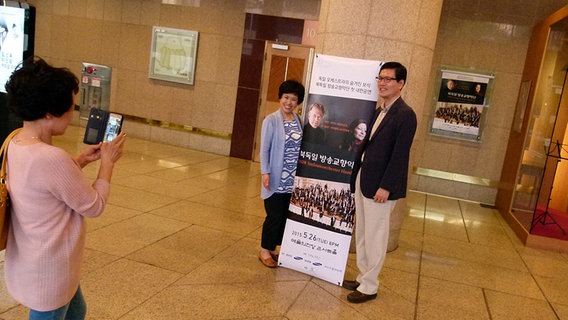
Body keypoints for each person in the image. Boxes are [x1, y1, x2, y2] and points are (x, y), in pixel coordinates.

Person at [3, 57, 125, 319]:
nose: (72, 114)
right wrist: (108, 163)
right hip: (50, 270)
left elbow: (40, 186)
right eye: (70, 107)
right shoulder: (51, 158)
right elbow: (94, 206)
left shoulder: (14, 142)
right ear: (49, 113)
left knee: (77, 309)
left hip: (30, 259)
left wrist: (79, 161)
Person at [342, 62, 417, 303]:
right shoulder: (379, 110)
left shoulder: (405, 114)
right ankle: (364, 277)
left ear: (401, 83)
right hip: (366, 178)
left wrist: (386, 186)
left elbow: (400, 154)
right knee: (363, 232)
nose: (382, 83)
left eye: (388, 79)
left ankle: (370, 287)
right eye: (380, 78)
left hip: (381, 186)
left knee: (376, 236)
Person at [259, 79, 305, 268]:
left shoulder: (298, 120)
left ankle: (273, 248)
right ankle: (264, 250)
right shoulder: (271, 120)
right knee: (273, 215)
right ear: (280, 98)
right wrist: (265, 172)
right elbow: (264, 149)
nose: (289, 102)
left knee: (285, 216)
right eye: (286, 97)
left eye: (294, 99)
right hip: (276, 177)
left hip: (292, 180)